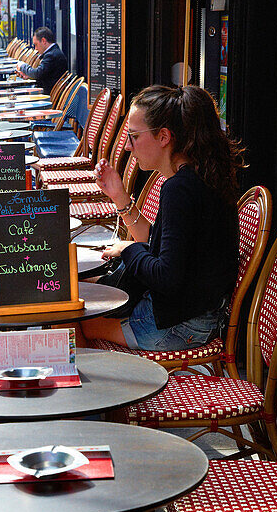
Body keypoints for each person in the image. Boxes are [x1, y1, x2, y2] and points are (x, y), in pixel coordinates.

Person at [81, 84, 241, 351]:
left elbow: (166, 276)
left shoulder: (179, 189)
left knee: (76, 319)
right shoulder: (196, 178)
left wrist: (130, 250)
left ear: (164, 136)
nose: (129, 147)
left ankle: (112, 388)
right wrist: (120, 196)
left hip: (180, 325)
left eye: (133, 136)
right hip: (193, 315)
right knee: (81, 288)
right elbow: (163, 246)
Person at [16, 26, 68, 95]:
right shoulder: (53, 52)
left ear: (43, 41)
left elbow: (37, 73)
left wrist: (22, 66)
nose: (36, 48)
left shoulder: (51, 55)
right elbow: (43, 74)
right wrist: (28, 76)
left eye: (36, 44)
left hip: (47, 94)